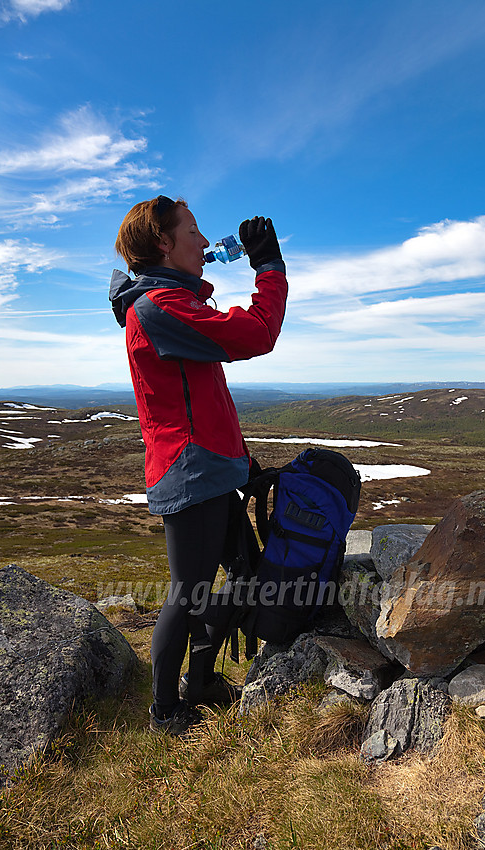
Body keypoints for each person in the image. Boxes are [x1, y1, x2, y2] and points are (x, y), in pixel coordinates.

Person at [109, 195, 287, 736]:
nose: (206, 242)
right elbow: (257, 333)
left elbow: (204, 398)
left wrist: (242, 460)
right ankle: (165, 712)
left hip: (213, 466)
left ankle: (202, 682)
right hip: (191, 471)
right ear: (163, 242)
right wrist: (269, 270)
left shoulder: (171, 304)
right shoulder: (158, 308)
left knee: (236, 578)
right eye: (193, 230)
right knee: (188, 595)